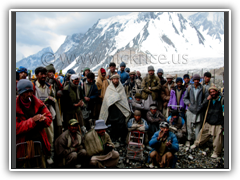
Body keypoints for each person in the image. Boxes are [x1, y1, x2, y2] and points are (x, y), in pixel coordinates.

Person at [16, 79, 52, 168]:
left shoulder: (38, 103)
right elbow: (16, 128)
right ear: (20, 93)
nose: (29, 94)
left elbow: (49, 117)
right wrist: (32, 121)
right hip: (22, 145)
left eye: (31, 91)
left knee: (40, 164)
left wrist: (44, 120)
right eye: (26, 92)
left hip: (39, 142)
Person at [190, 87, 224, 158]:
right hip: (209, 121)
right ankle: (197, 144)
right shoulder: (209, 100)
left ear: (217, 91)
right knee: (202, 134)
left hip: (218, 123)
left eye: (214, 92)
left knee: (217, 139)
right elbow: (201, 107)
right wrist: (206, 100)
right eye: (211, 92)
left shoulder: (222, 100)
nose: (212, 93)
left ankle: (216, 152)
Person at [34, 66, 57, 165]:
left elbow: (54, 98)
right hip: (37, 116)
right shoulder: (33, 86)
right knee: (39, 137)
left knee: (50, 136)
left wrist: (51, 99)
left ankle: (49, 155)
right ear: (36, 75)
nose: (43, 76)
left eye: (44, 74)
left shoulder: (49, 86)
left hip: (48, 115)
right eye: (41, 74)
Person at [99, 74, 131, 145]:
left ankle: (122, 140)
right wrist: (114, 99)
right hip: (112, 109)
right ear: (112, 80)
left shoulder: (121, 88)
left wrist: (116, 98)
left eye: (117, 79)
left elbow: (123, 99)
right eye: (114, 79)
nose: (116, 80)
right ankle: (113, 139)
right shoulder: (109, 88)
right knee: (113, 126)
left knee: (121, 125)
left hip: (120, 109)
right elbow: (107, 99)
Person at [183, 74, 208, 148]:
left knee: (198, 127)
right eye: (195, 80)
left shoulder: (203, 89)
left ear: (199, 80)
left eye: (198, 80)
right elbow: (185, 98)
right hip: (190, 110)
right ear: (193, 80)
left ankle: (197, 141)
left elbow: (206, 99)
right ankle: (189, 140)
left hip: (199, 110)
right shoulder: (189, 88)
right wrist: (189, 104)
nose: (196, 81)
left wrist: (202, 105)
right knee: (189, 126)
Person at [45, 64, 63, 142]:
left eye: (53, 72)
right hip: (45, 106)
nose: (51, 74)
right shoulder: (43, 82)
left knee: (56, 123)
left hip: (55, 105)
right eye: (50, 72)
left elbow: (62, 89)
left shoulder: (56, 82)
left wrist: (60, 92)